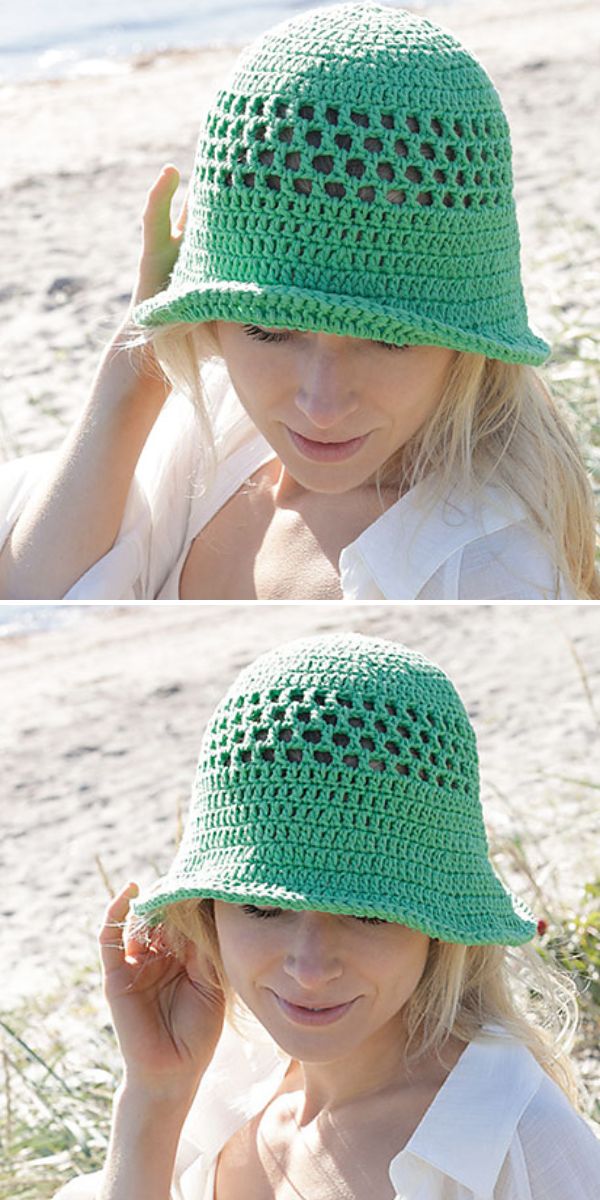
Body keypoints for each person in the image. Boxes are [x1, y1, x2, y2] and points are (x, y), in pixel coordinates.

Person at [1, 4, 598, 600]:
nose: (322, 404)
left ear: (463, 341)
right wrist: (136, 363)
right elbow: (31, 602)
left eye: (389, 338)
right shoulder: (214, 427)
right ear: (212, 319)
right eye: (269, 330)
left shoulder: (488, 573)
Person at [53, 632, 600, 1200]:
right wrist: (154, 1095)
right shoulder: (220, 1092)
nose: (311, 969)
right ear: (208, 917)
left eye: (367, 915)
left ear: (440, 926)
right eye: (264, 908)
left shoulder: (517, 1150)